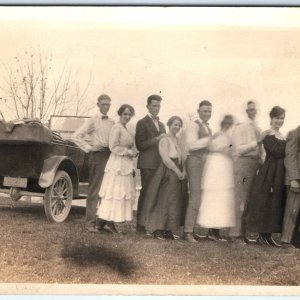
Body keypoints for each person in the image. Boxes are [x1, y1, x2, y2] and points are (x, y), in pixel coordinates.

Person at [71, 94, 114, 233]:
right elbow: (75, 136)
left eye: (108, 104)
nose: (106, 107)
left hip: (110, 157)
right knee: (94, 190)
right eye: (104, 104)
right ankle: (90, 223)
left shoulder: (112, 122)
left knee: (108, 190)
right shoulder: (93, 121)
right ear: (98, 105)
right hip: (97, 157)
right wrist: (90, 148)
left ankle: (103, 222)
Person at [244, 106, 286, 247]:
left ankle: (266, 235)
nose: (280, 121)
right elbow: (276, 151)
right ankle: (252, 233)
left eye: (282, 118)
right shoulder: (267, 134)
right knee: (262, 200)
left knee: (273, 202)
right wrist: (291, 146)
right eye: (277, 118)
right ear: (271, 118)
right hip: (269, 171)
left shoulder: (281, 135)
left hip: (279, 172)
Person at [144, 116, 188, 240]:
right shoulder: (165, 139)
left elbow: (182, 158)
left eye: (179, 125)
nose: (177, 127)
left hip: (178, 170)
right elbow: (165, 158)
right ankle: (158, 229)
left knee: (174, 201)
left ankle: (169, 229)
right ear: (169, 125)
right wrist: (177, 171)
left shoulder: (178, 140)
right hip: (168, 171)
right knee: (164, 200)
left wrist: (183, 170)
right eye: (175, 124)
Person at [96, 104, 138, 231]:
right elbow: (113, 147)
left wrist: (134, 151)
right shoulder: (117, 127)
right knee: (113, 193)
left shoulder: (128, 129)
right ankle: (105, 220)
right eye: (125, 114)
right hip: (116, 164)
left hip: (126, 164)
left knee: (120, 193)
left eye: (129, 114)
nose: (127, 116)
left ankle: (107, 221)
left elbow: (131, 145)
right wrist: (129, 152)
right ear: (120, 114)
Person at [197, 115, 236, 241]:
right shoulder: (217, 135)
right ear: (222, 123)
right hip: (216, 167)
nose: (228, 125)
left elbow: (231, 150)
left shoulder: (229, 137)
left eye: (230, 124)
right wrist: (223, 150)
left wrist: (229, 151)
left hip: (225, 167)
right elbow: (211, 147)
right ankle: (211, 231)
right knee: (214, 197)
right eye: (226, 123)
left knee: (222, 198)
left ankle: (215, 231)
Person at [231, 101, 262, 242]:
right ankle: (235, 234)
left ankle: (242, 232)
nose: (252, 112)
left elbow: (260, 151)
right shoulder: (241, 127)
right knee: (240, 198)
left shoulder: (257, 127)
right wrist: (256, 142)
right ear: (246, 111)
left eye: (254, 109)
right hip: (243, 164)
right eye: (249, 109)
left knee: (249, 199)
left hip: (254, 165)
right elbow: (238, 149)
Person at [135, 94, 166, 234]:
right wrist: (157, 139)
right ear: (147, 106)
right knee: (146, 193)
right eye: (154, 105)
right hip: (147, 164)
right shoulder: (142, 123)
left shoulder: (162, 124)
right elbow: (140, 145)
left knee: (157, 195)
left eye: (158, 106)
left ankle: (151, 225)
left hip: (159, 165)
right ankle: (140, 226)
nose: (156, 108)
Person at [183, 100, 212, 243]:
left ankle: (191, 229)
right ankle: (188, 231)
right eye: (205, 111)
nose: (207, 114)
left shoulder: (207, 127)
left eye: (209, 111)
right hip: (194, 161)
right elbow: (191, 146)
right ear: (198, 111)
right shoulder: (193, 125)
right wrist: (209, 141)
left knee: (199, 196)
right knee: (195, 196)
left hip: (203, 163)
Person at [281, 126, 300, 249]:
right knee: (291, 211)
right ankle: (285, 240)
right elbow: (290, 156)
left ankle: (295, 239)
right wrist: (294, 178)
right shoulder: (295, 133)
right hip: (297, 178)